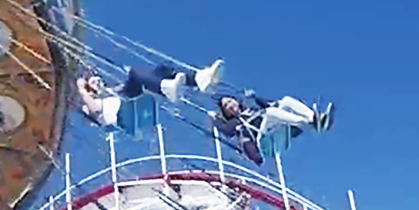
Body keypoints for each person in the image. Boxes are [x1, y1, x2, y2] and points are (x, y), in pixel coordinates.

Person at [76, 60, 225, 126]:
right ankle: (166, 88)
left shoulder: (109, 90)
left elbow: (119, 89)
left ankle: (199, 79)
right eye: (94, 82)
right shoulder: (87, 103)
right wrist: (82, 89)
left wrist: (89, 75)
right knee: (135, 73)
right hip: (122, 110)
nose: (98, 82)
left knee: (162, 69)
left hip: (125, 99)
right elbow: (95, 109)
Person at [212, 92, 334, 165]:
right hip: (265, 144)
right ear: (226, 113)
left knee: (286, 101)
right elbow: (228, 132)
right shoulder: (237, 124)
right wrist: (215, 119)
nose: (230, 105)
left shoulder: (253, 110)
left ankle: (315, 119)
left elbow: (272, 105)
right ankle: (310, 122)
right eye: (226, 106)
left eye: (230, 101)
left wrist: (256, 98)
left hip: (277, 135)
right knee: (270, 113)